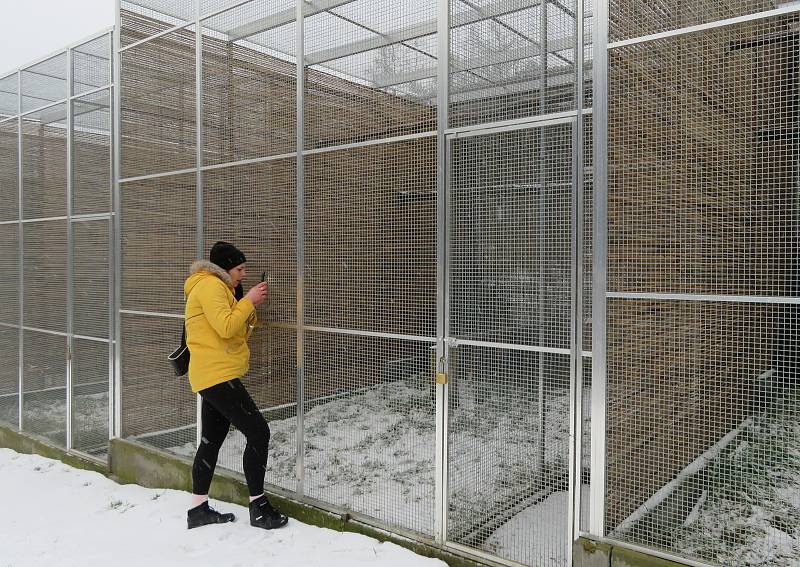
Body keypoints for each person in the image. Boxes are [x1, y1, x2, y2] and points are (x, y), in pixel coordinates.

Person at [183, 241, 288, 531]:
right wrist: (248, 301)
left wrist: (246, 304)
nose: (243, 274)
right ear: (226, 268)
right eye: (240, 269)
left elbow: (236, 331)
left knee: (211, 440)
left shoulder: (218, 288)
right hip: (218, 376)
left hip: (212, 374)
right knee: (259, 432)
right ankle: (258, 507)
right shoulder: (210, 287)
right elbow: (227, 327)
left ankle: (198, 509)